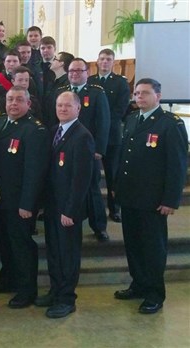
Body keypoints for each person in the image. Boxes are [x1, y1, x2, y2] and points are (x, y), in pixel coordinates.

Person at [114, 78, 188, 314]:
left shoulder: (170, 124)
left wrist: (170, 199)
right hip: (130, 196)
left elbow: (177, 166)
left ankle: (155, 293)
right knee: (134, 244)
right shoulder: (133, 118)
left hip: (153, 200)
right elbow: (125, 157)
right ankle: (138, 284)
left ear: (158, 95)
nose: (139, 97)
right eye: (136, 94)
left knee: (153, 248)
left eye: (145, 93)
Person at [36, 91, 94, 319]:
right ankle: (55, 290)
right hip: (52, 207)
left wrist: (70, 210)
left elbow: (81, 179)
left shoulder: (82, 136)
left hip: (68, 209)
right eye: (59, 105)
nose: (62, 109)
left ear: (78, 108)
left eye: (67, 106)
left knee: (67, 254)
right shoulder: (54, 131)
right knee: (54, 251)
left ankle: (67, 298)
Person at [0, 86, 49, 307]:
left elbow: (34, 171)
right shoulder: (0, 123)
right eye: (10, 99)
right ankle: (9, 279)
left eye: (18, 100)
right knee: (5, 243)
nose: (13, 103)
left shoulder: (35, 130)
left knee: (22, 245)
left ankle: (27, 290)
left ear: (28, 104)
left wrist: (28, 204)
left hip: (20, 202)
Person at [59, 58, 111, 242]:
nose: (74, 74)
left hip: (89, 151)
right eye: (71, 70)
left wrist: (98, 149)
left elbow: (103, 122)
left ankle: (99, 226)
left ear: (87, 72)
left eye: (79, 71)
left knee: (92, 188)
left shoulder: (96, 93)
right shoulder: (61, 93)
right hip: (64, 150)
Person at [87, 49, 131, 223]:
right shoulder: (90, 81)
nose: (105, 62)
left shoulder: (120, 83)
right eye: (102, 59)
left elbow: (121, 109)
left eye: (108, 59)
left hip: (112, 136)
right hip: (91, 135)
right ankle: (90, 209)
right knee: (90, 174)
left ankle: (114, 208)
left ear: (114, 63)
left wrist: (103, 124)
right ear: (97, 62)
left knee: (113, 174)